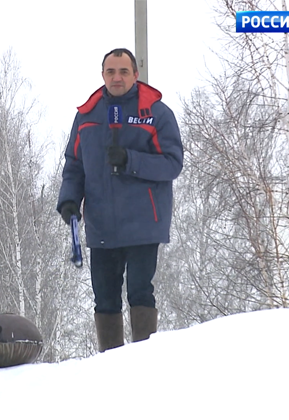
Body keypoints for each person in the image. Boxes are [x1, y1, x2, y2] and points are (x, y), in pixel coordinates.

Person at [57, 48, 183, 352]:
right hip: (101, 223)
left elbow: (172, 163)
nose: (117, 77)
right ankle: (110, 363)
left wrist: (130, 160)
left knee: (140, 292)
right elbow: (74, 165)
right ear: (102, 75)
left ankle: (142, 360)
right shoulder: (86, 115)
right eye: (111, 72)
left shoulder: (155, 112)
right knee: (104, 297)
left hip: (143, 222)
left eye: (123, 71)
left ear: (135, 75)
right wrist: (69, 201)